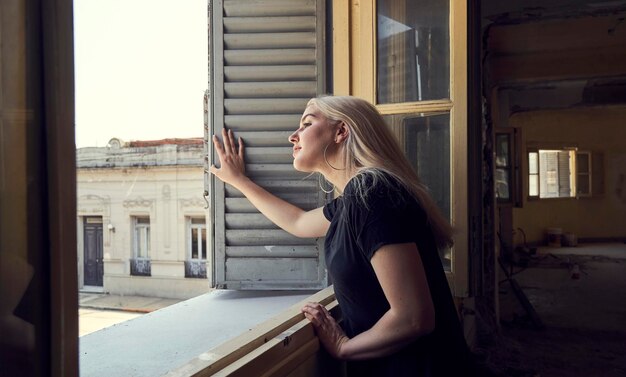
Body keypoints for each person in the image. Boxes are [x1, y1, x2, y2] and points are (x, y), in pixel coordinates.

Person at [210, 95, 477, 376]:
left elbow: (414, 317)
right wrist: (240, 181)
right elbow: (298, 222)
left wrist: (343, 347)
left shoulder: (374, 195)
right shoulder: (356, 199)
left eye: (307, 123)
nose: (293, 136)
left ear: (341, 131)